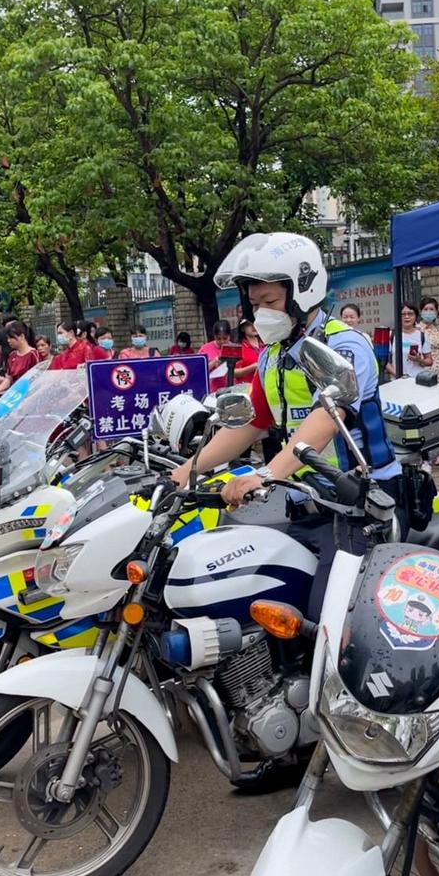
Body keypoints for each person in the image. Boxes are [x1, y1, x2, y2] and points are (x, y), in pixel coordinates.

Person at [171, 231, 403, 619]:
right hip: (306, 498)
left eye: (271, 301)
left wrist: (264, 474)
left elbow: (327, 419)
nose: (261, 312)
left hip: (363, 501)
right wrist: (186, 470)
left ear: (303, 292)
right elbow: (251, 424)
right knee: (264, 593)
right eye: (255, 303)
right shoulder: (272, 356)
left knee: (326, 617)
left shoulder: (345, 346)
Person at [386, 302, 433, 380]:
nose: (406, 317)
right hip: (398, 381)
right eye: (403, 314)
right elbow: (385, 362)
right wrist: (398, 375)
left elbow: (429, 361)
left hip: (417, 381)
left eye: (410, 314)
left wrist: (419, 360)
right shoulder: (391, 335)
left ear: (416, 316)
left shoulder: (422, 336)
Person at [198, 320, 233, 392]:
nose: (222, 341)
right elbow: (199, 371)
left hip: (231, 387)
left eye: (225, 338)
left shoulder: (234, 348)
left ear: (229, 336)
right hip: (213, 390)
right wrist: (213, 363)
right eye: (219, 339)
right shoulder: (205, 349)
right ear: (214, 336)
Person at [233, 319, 263, 384]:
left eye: (256, 323)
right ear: (242, 328)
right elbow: (233, 372)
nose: (254, 326)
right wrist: (252, 367)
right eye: (250, 324)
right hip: (247, 388)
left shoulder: (266, 344)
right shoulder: (239, 347)